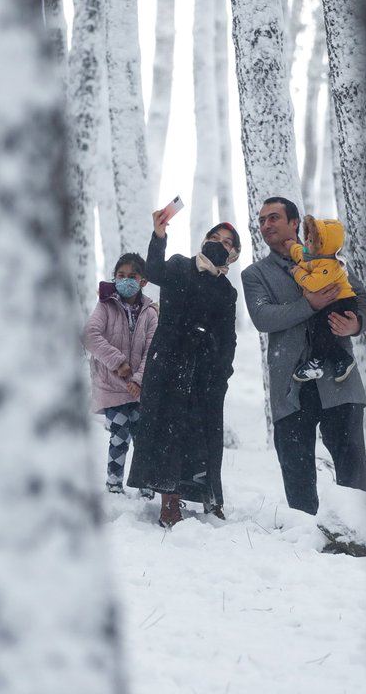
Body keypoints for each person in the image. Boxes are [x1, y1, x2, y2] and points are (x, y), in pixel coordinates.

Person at [241, 196, 366, 515]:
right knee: (298, 483)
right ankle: (305, 540)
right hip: (291, 387)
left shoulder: (331, 257)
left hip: (338, 380)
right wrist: (309, 304)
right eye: (262, 220)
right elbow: (263, 318)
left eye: (273, 217)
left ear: (294, 223)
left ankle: (358, 533)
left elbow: (360, 295)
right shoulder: (255, 274)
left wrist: (356, 324)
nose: (266, 225)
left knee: (352, 474)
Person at [126, 212, 239, 528]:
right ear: (204, 241)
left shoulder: (227, 290)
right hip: (169, 361)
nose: (219, 244)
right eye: (215, 238)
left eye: (227, 243)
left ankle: (209, 496)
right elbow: (153, 271)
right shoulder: (179, 265)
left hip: (205, 370)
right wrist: (159, 235)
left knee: (204, 433)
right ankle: (169, 501)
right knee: (168, 430)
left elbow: (228, 336)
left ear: (233, 254)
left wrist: (223, 373)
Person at [83, 253, 159, 495]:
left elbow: (152, 350)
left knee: (143, 437)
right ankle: (114, 484)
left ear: (143, 281)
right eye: (121, 275)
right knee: (120, 434)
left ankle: (145, 487)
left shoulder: (150, 313)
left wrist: (138, 380)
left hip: (138, 388)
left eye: (132, 277)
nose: (126, 281)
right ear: (114, 278)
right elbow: (90, 335)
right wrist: (118, 362)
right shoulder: (105, 305)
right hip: (110, 385)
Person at [283, 215, 358, 383]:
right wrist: (291, 246)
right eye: (307, 238)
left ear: (323, 246)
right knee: (322, 332)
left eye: (311, 241)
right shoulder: (312, 255)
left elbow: (313, 284)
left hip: (343, 303)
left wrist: (297, 272)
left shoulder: (328, 264)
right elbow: (300, 253)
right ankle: (342, 359)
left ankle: (316, 364)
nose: (306, 243)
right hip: (332, 302)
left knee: (322, 331)